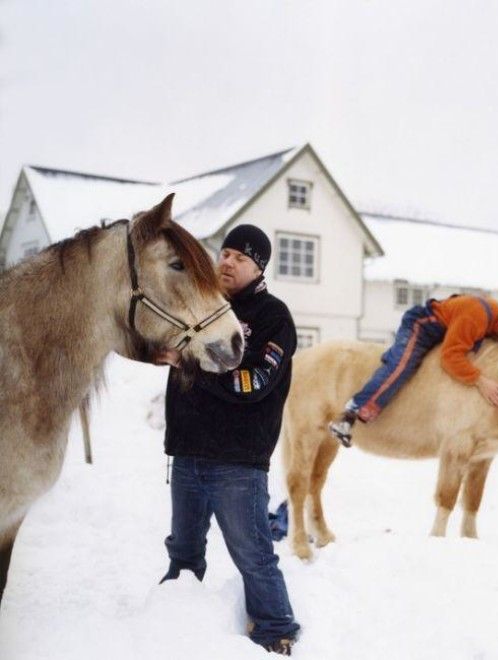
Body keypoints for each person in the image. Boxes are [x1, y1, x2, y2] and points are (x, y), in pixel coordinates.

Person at [158, 224, 301, 656]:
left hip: (237, 463)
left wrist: (190, 366)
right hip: (188, 455)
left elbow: (252, 383)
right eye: (225, 253)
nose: (227, 261)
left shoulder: (274, 317)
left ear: (259, 267)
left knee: (254, 556)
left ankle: (276, 631)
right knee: (183, 551)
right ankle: (174, 626)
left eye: (241, 257)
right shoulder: (202, 308)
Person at [329, 295, 498, 447]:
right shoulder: (476, 317)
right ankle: (350, 414)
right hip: (422, 326)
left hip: (444, 331)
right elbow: (450, 358)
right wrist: (479, 380)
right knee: (401, 366)